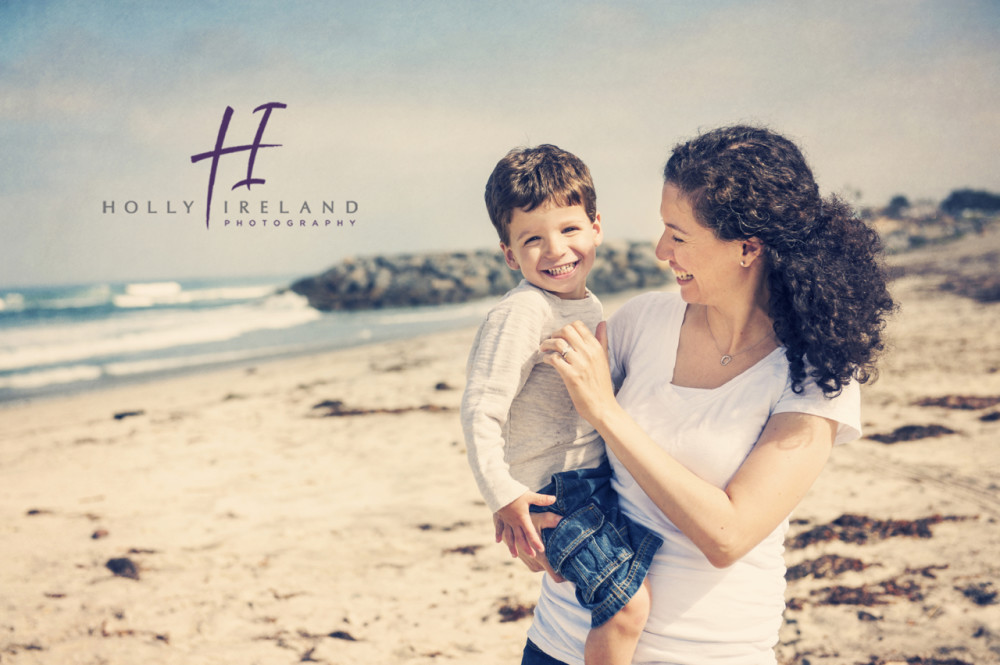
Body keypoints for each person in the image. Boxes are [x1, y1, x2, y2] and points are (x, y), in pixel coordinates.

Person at [518, 125, 895, 664]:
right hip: (561, 640)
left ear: (747, 247)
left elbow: (729, 533)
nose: (660, 249)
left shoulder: (815, 374)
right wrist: (516, 504)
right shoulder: (641, 321)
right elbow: (552, 429)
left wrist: (607, 413)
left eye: (679, 234)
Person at [462, 144, 663, 665]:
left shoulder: (587, 303)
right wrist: (502, 494)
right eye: (532, 239)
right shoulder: (522, 312)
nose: (556, 250)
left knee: (637, 580)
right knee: (626, 606)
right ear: (509, 254)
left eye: (570, 229)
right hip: (555, 495)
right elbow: (481, 409)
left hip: (591, 480)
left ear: (596, 226)